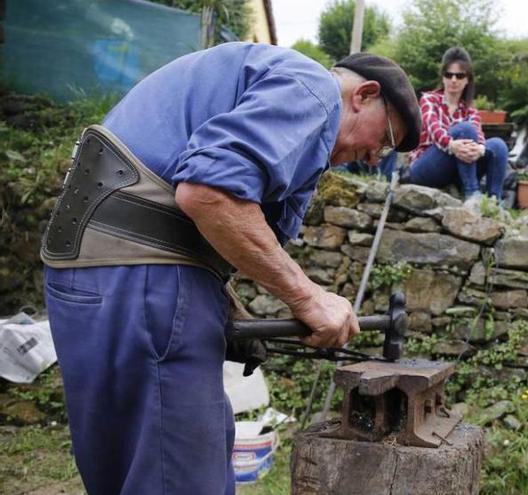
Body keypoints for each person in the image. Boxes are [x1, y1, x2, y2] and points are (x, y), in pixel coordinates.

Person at [39, 43, 420, 494]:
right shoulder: (313, 89)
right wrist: (309, 297)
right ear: (364, 94)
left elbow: (202, 198)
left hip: (95, 280)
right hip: (142, 281)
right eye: (388, 139)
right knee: (179, 481)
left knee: (129, 473)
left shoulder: (254, 78)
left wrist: (220, 298)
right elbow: (208, 194)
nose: (377, 157)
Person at [405, 47, 509, 209]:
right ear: (443, 77)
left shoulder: (471, 111)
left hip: (456, 171)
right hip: (426, 167)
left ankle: (494, 201)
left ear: (467, 80)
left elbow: (479, 138)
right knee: (465, 130)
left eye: (459, 75)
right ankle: (472, 193)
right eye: (449, 74)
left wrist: (480, 149)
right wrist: (452, 145)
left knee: (498, 145)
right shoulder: (429, 100)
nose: (454, 80)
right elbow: (435, 131)